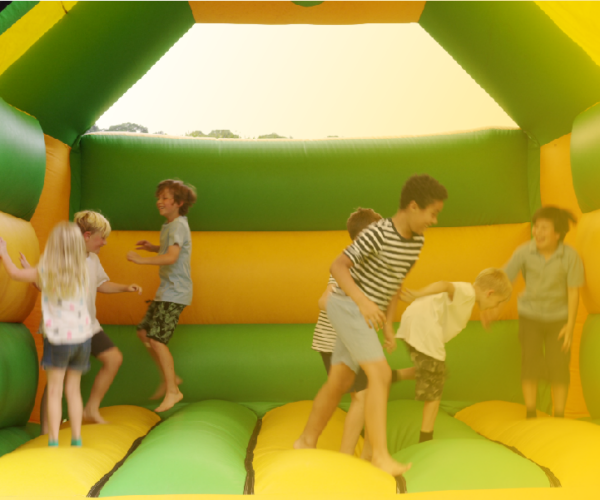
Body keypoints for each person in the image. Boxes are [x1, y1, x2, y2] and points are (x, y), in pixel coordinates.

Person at [295, 174, 448, 477]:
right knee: (379, 376)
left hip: (361, 320)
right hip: (346, 310)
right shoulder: (375, 237)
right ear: (414, 207)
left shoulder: (414, 242)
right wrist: (363, 303)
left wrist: (389, 326)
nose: (435, 220)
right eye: (433, 213)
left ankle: (306, 439)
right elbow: (335, 272)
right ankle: (376, 454)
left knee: (339, 381)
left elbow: (394, 284)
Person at [23, 211, 142, 429]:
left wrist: (125, 287)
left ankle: (91, 408)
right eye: (101, 238)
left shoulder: (92, 260)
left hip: (88, 326)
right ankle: (46, 431)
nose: (104, 243)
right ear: (86, 236)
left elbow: (100, 284)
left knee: (113, 358)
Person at [0, 222, 93, 446]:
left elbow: (13, 274)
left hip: (60, 339)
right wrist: (30, 269)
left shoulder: (46, 271)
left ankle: (52, 439)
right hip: (82, 338)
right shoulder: (81, 271)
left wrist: (4, 251)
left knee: (54, 390)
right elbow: (52, 289)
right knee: (73, 390)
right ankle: (77, 438)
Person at [396, 268, 512, 442]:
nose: (495, 307)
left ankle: (390, 375)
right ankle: (425, 437)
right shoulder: (467, 292)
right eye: (497, 302)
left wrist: (485, 315)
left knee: (430, 371)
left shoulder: (468, 300)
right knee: (436, 382)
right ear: (490, 293)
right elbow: (444, 285)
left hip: (414, 325)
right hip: (424, 328)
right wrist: (417, 293)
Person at [312, 207, 383, 458]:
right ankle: (346, 456)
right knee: (363, 397)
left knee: (370, 395)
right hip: (335, 343)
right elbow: (324, 300)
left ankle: (367, 455)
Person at [503, 206, 584, 419]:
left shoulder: (570, 256)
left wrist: (570, 326)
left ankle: (559, 415)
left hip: (559, 318)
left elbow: (573, 293)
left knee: (559, 366)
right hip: (530, 316)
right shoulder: (524, 252)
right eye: (536, 227)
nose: (537, 232)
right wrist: (488, 301)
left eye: (544, 228)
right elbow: (504, 279)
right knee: (530, 362)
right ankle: (531, 412)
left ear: (557, 233)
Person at [127, 179, 197, 413]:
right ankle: (171, 379)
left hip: (176, 292)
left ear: (179, 203)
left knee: (157, 340)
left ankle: (173, 391)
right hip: (166, 291)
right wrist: (153, 248)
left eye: (166, 198)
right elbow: (170, 249)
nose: (160, 201)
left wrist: (142, 260)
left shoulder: (178, 226)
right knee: (144, 332)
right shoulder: (170, 225)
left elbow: (172, 257)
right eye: (159, 197)